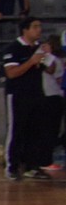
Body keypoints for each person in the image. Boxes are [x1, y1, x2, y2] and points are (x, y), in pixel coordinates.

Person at [3, 17, 48, 180]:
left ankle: (32, 166)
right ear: (25, 30)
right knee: (16, 130)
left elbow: (49, 70)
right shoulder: (13, 48)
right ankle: (12, 167)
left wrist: (47, 56)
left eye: (40, 26)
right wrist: (31, 61)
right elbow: (11, 73)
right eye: (35, 27)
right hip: (17, 95)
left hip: (36, 93)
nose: (39, 30)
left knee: (35, 131)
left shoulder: (38, 48)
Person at [37, 32, 65, 171]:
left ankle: (46, 159)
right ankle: (44, 160)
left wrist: (48, 55)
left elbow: (51, 71)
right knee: (47, 130)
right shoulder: (44, 58)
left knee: (52, 130)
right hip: (47, 97)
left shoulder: (54, 59)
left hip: (54, 96)